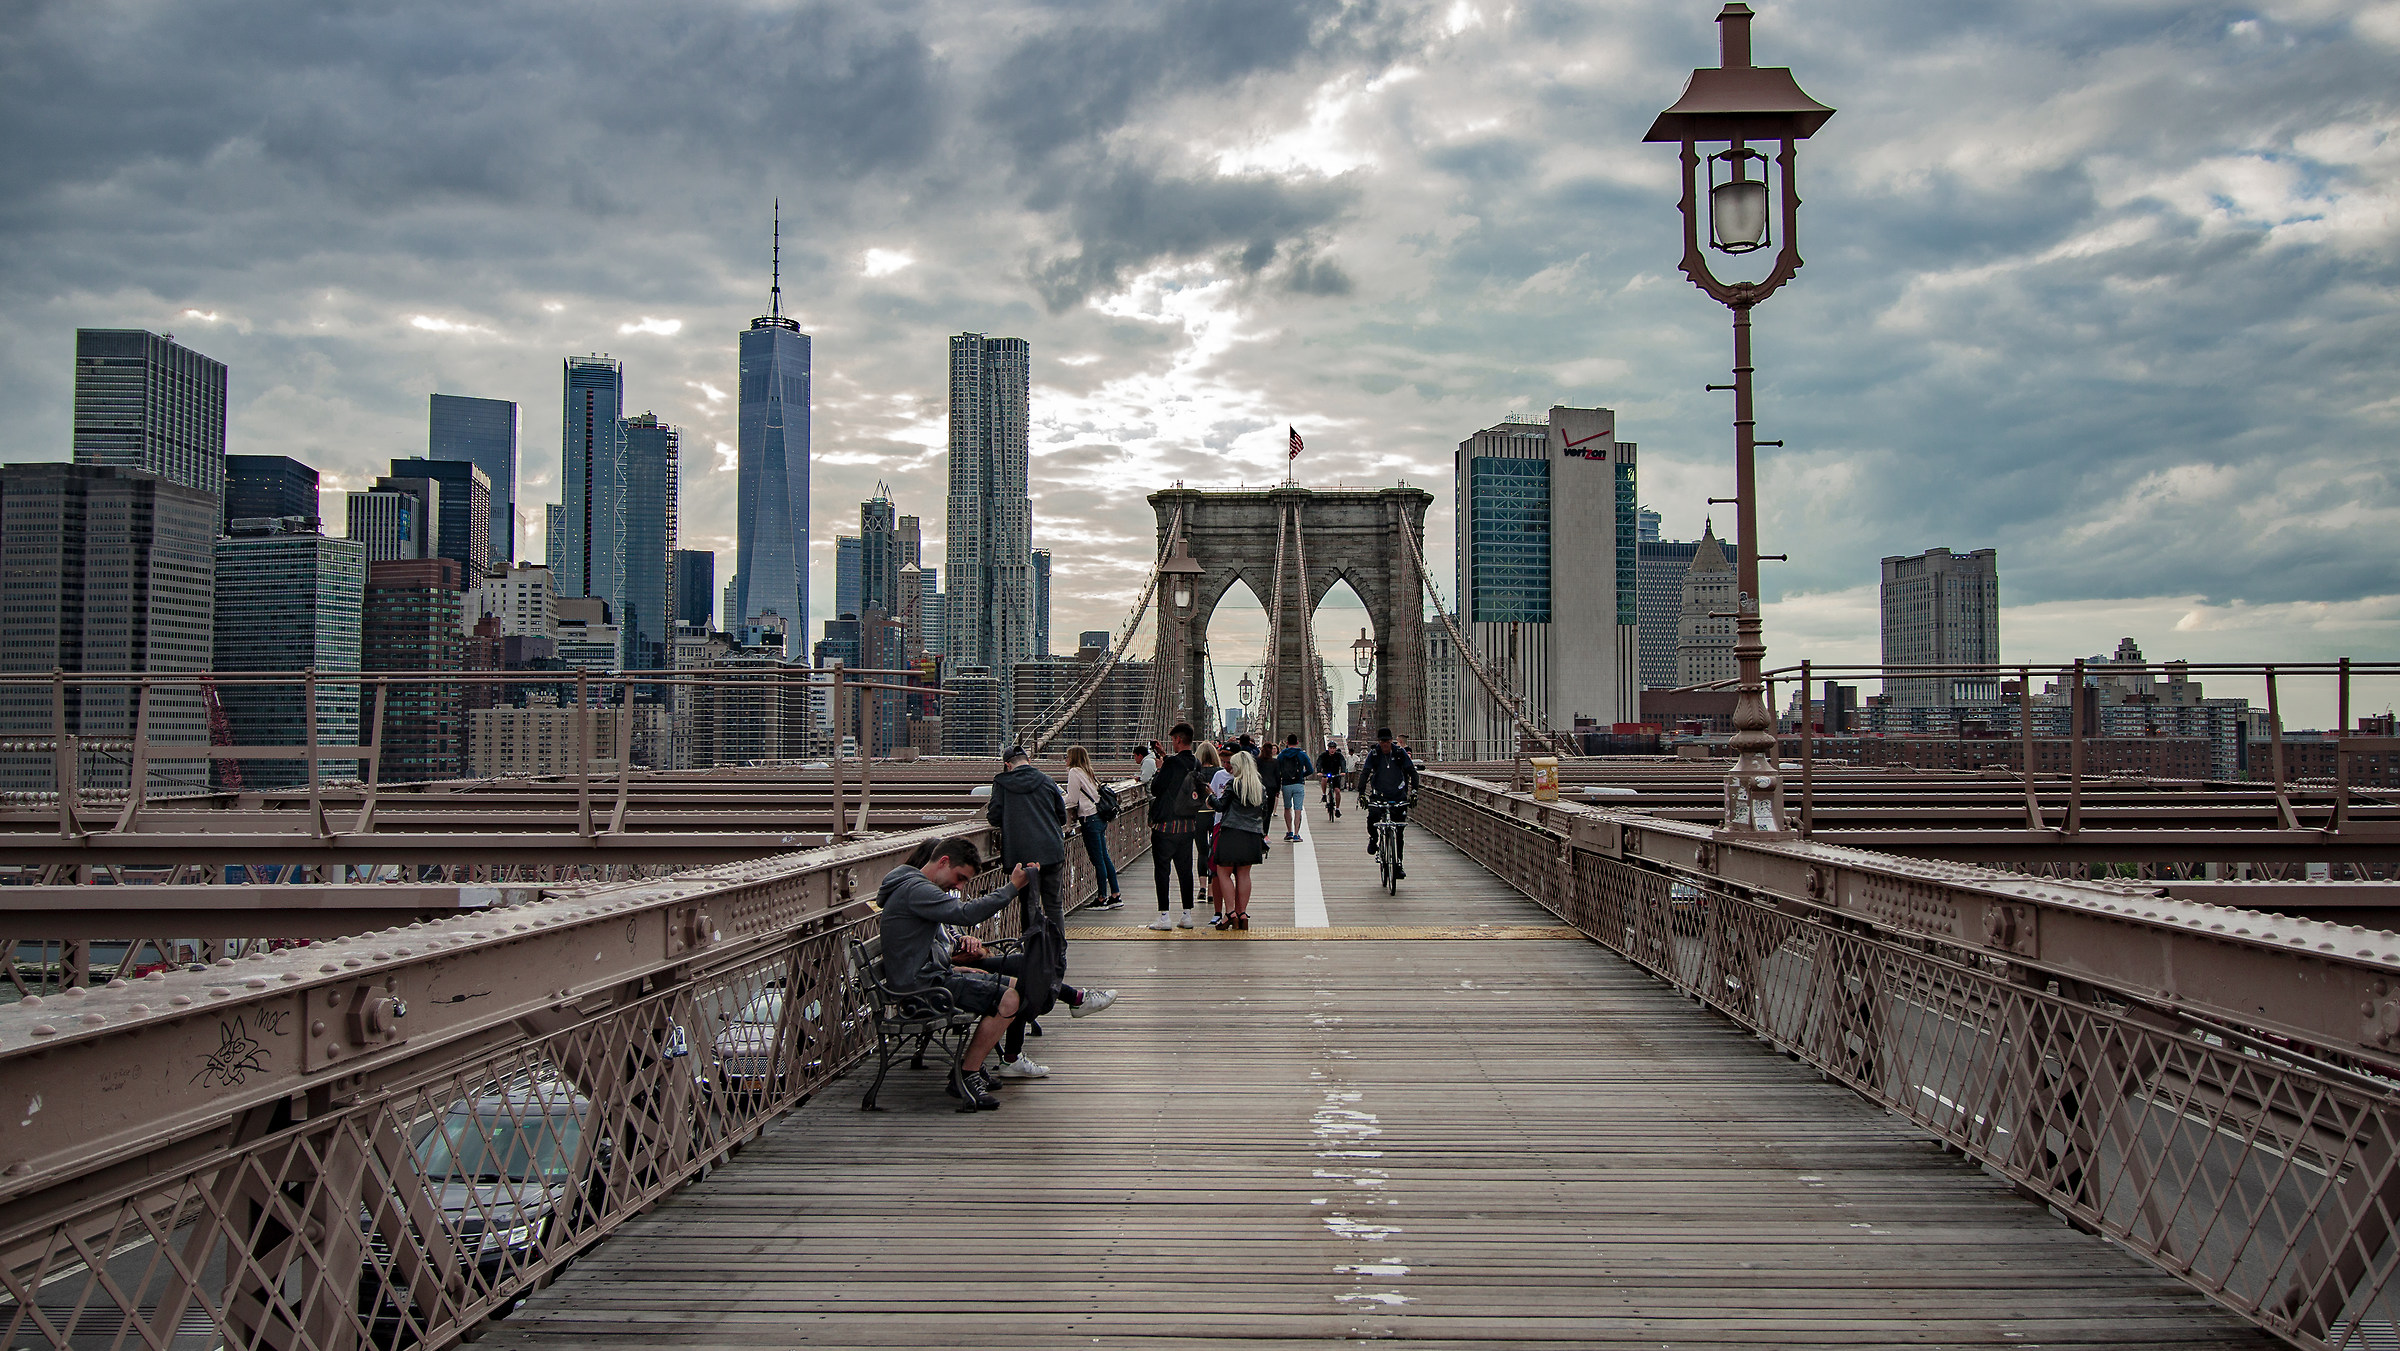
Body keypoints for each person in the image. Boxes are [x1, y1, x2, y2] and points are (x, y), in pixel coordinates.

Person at [875, 837, 1030, 1110]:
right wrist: (1013, 887)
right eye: (959, 878)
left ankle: (971, 1066)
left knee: (1018, 985)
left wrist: (955, 966)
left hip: (929, 979)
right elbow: (967, 914)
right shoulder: (917, 890)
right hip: (923, 991)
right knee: (1010, 998)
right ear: (943, 861)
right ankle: (966, 1075)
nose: (958, 887)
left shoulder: (910, 886)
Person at [1146, 724, 1204, 930]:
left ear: (1178, 740)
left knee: (1162, 871)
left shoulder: (1169, 764)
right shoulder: (1196, 763)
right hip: (1188, 825)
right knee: (1185, 869)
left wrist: (1161, 767)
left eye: (1173, 740)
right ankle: (1187, 915)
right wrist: (1165, 756)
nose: (1172, 743)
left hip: (1166, 827)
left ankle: (1164, 916)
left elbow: (1156, 788)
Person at [1210, 751, 1272, 929]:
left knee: (1223, 872)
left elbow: (1220, 806)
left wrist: (1210, 797)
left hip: (1232, 833)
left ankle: (1230, 913)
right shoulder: (1259, 787)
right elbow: (1264, 812)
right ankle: (1242, 913)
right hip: (1252, 835)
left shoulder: (1234, 784)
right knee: (1244, 874)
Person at [1063, 744, 1124, 911]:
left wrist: (1061, 801)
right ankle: (1115, 895)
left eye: (1067, 756)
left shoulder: (1074, 772)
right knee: (1104, 857)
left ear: (1073, 758)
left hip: (1089, 819)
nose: (1065, 760)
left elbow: (1072, 800)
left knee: (1098, 860)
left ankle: (1102, 898)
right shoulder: (1088, 771)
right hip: (1099, 818)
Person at [1360, 727, 1420, 881]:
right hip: (1378, 794)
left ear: (1391, 740)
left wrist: (1414, 792)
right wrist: (1361, 793)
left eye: (1387, 741)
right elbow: (1365, 772)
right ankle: (1373, 840)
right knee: (1372, 818)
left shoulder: (1400, 753)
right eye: (1382, 742)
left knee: (1399, 830)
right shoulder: (1373, 754)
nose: (1385, 744)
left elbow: (1412, 772)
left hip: (1398, 795)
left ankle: (1398, 864)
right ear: (1378, 742)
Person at [1273, 734, 1314, 841]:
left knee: (1287, 808)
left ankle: (1289, 831)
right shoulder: (1302, 755)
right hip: (1298, 784)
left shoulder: (1281, 755)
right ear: (1297, 742)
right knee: (1298, 809)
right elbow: (1310, 770)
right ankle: (1296, 834)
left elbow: (1277, 771)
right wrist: (1301, 775)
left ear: (1287, 743)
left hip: (1286, 784)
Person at [1320, 740, 1348, 818]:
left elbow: (1343, 763)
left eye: (1333, 748)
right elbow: (1319, 762)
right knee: (1324, 779)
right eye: (1330, 748)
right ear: (1328, 748)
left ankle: (1337, 809)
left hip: (1336, 775)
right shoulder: (1324, 755)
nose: (1332, 750)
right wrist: (1319, 771)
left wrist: (1343, 771)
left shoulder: (1339, 755)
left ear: (1335, 749)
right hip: (1326, 774)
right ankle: (1324, 794)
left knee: (1337, 791)